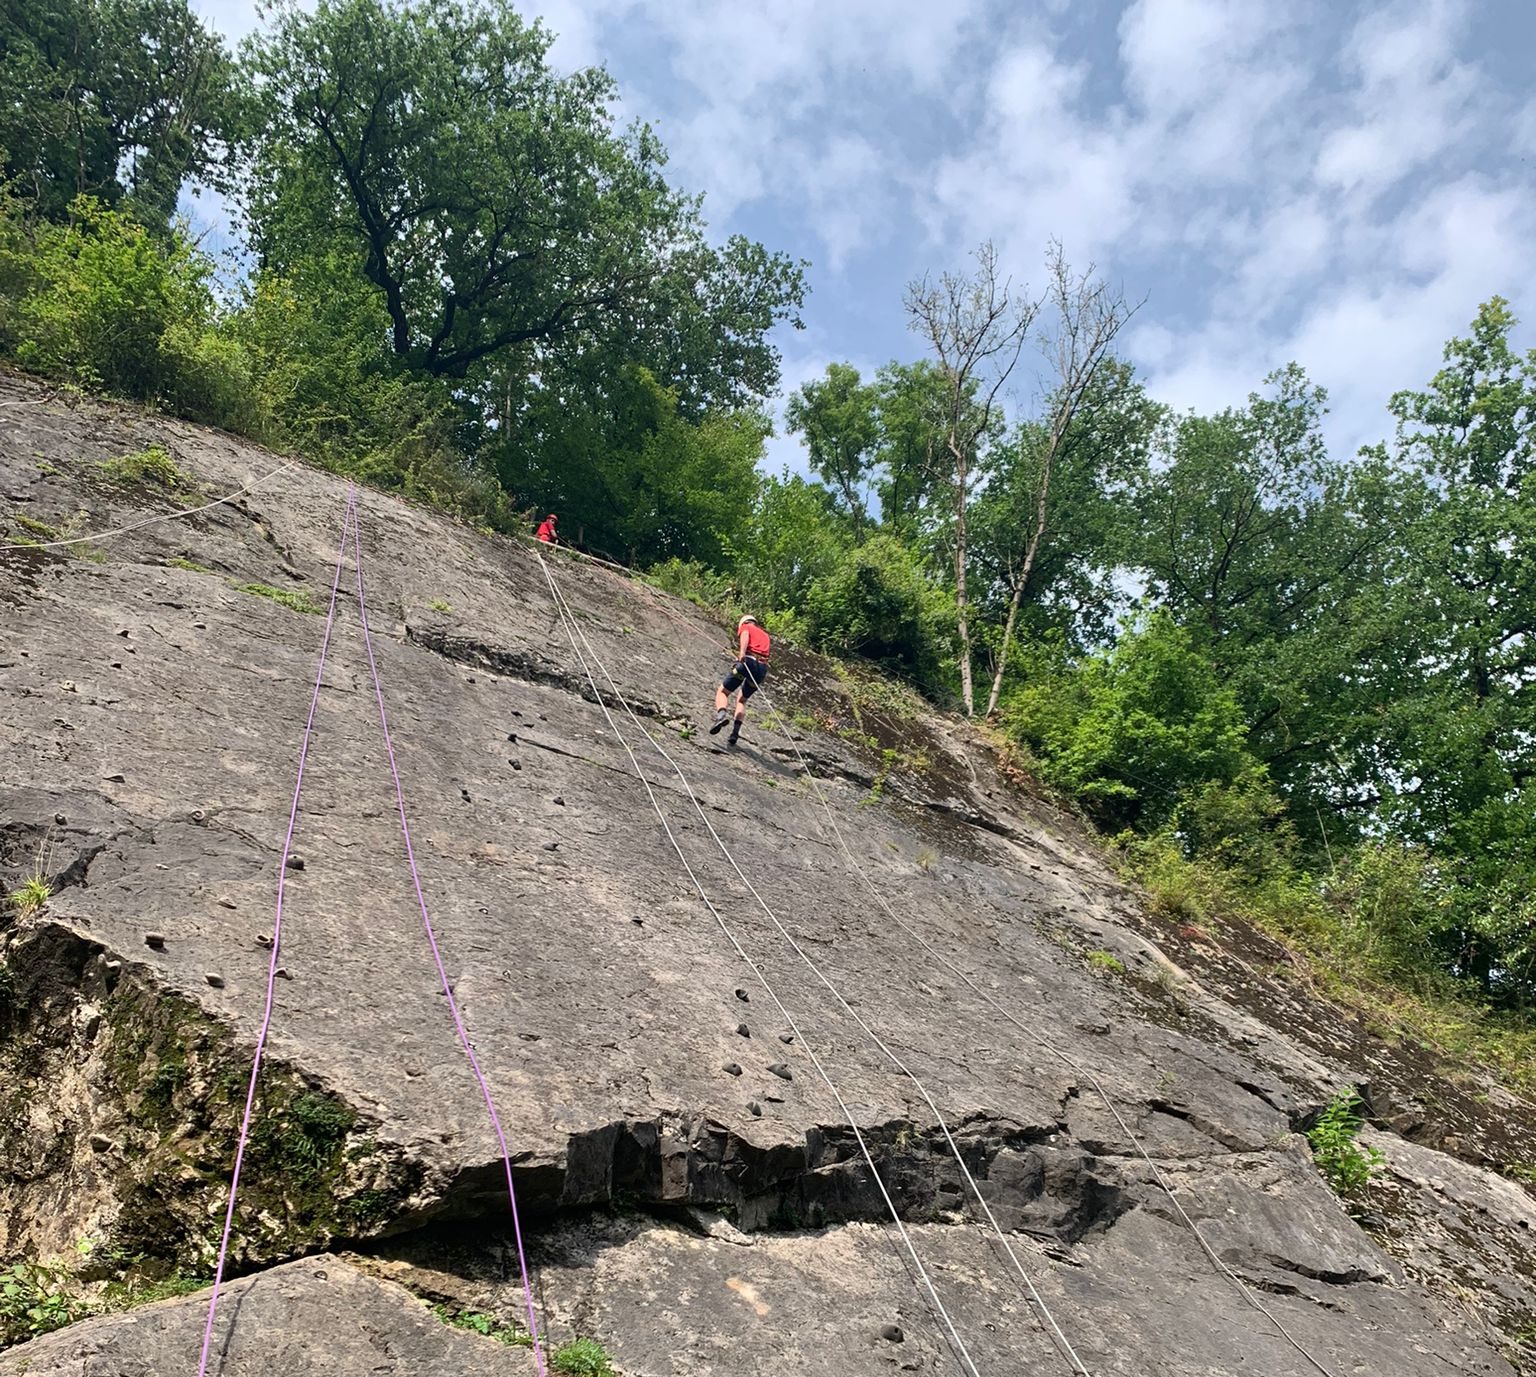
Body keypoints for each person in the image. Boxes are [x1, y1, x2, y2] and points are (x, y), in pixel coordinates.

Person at [711, 614, 770, 746]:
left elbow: (745, 636)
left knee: (723, 692)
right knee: (742, 700)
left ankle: (720, 716)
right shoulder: (765, 635)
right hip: (761, 669)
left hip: (748, 662)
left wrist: (742, 653)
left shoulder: (746, 626)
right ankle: (735, 733)